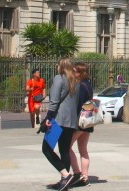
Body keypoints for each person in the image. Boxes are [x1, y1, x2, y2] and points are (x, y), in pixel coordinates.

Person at [43, 57, 80, 191]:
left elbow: (54, 101)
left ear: (61, 66)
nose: (56, 67)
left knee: (46, 148)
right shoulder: (77, 82)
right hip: (71, 121)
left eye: (57, 65)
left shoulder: (59, 78)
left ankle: (65, 175)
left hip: (58, 119)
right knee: (64, 150)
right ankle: (64, 181)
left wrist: (48, 117)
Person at [69, 62, 96, 187]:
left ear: (81, 72)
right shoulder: (88, 85)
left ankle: (77, 174)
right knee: (83, 150)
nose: (73, 73)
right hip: (88, 121)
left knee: (67, 147)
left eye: (75, 71)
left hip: (80, 121)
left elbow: (77, 104)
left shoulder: (80, 86)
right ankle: (85, 177)